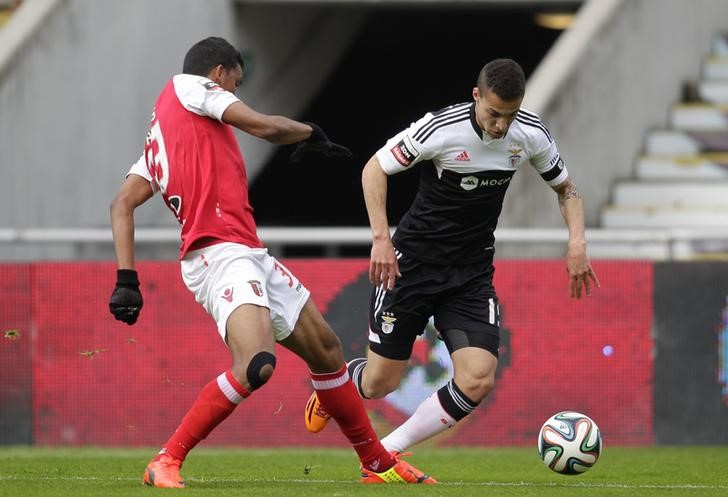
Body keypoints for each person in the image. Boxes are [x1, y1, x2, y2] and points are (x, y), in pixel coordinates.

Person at [109, 36, 435, 488]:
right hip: (217, 255)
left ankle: (376, 462)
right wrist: (308, 131)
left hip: (246, 251)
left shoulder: (165, 134)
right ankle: (166, 459)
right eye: (235, 83)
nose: (234, 94)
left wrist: (127, 278)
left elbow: (121, 204)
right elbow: (264, 127)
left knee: (326, 350)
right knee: (256, 362)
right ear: (219, 74)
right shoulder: (188, 88)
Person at [304, 58, 600, 455]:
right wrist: (381, 239)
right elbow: (375, 168)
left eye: (509, 116)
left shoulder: (530, 134)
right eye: (494, 114)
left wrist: (577, 242)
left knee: (478, 378)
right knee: (379, 384)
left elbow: (567, 190)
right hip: (411, 267)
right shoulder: (441, 129)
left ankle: (387, 451)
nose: (500, 126)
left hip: (470, 275)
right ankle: (334, 387)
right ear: (476, 96)